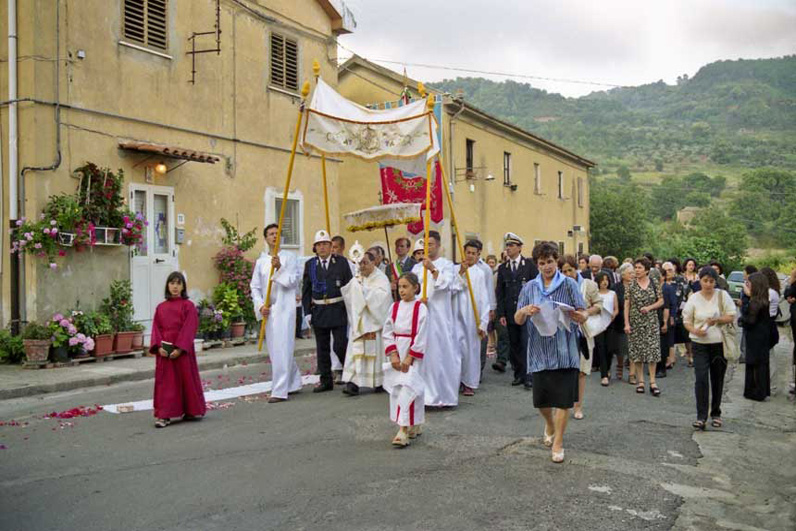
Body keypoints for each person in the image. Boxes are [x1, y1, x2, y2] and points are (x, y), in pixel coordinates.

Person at [514, 242, 588, 463]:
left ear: (557, 261)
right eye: (542, 263)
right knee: (542, 401)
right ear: (537, 264)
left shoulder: (569, 284)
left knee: (564, 401)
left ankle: (558, 443)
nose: (547, 266)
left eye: (550, 262)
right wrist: (525, 311)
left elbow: (583, 312)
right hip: (539, 351)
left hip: (565, 349)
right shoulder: (530, 288)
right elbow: (517, 319)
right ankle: (549, 423)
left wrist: (579, 316)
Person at [251, 224, 303, 403]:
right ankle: (294, 381)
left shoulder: (290, 258)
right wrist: (260, 306)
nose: (274, 236)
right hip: (269, 309)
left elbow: (293, 281)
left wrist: (280, 267)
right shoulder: (261, 261)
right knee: (276, 350)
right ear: (265, 238)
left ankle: (279, 390)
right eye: (271, 234)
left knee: (283, 347)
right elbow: (255, 287)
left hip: (285, 309)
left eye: (277, 233)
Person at [149, 272, 206, 428]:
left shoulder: (188, 306)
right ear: (168, 285)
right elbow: (156, 328)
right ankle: (164, 416)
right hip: (165, 347)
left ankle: (189, 409)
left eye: (178, 283)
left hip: (183, 348)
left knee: (185, 379)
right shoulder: (160, 307)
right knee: (166, 383)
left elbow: (189, 328)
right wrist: (159, 346)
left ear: (183, 286)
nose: (175, 286)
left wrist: (180, 348)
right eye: (172, 283)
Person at [411, 230, 461, 407]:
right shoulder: (416, 268)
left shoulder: (446, 265)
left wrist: (432, 269)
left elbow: (447, 284)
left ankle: (443, 396)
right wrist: (419, 299)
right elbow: (411, 290)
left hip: (440, 317)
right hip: (422, 316)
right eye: (424, 244)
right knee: (422, 356)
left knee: (440, 355)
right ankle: (422, 396)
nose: (427, 248)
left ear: (438, 245)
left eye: (430, 244)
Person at [682, 266, 736, 429]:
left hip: (718, 344)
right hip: (699, 344)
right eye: (705, 281)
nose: (708, 284)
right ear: (700, 280)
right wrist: (695, 330)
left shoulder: (722, 295)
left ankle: (716, 413)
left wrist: (717, 320)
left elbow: (731, 316)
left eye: (711, 281)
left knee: (717, 379)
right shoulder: (694, 298)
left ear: (715, 282)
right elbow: (686, 321)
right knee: (701, 378)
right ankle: (701, 416)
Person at [302, 230, 353, 392]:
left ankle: (352, 377)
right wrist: (307, 313)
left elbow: (350, 287)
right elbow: (306, 290)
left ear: (331, 247)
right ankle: (325, 380)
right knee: (322, 347)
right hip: (319, 310)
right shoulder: (310, 265)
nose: (322, 247)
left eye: (325, 244)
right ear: (315, 248)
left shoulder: (341, 263)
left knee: (340, 345)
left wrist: (351, 310)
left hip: (338, 309)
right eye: (319, 245)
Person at [382, 273, 428, 447]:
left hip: (412, 352)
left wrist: (410, 356)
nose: (401, 290)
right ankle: (412, 423)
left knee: (410, 387)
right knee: (398, 388)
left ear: (415, 288)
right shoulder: (394, 307)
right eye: (400, 287)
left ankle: (403, 429)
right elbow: (387, 331)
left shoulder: (420, 308)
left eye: (405, 286)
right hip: (398, 349)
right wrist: (393, 353)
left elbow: (422, 334)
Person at [341, 249, 393, 396]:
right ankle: (353, 383)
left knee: (374, 355)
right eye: (360, 263)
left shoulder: (381, 278)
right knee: (354, 354)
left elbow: (383, 299)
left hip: (373, 323)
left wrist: (364, 291)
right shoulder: (357, 278)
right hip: (359, 323)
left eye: (365, 263)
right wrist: (355, 288)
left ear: (373, 262)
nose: (362, 266)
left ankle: (378, 382)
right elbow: (348, 295)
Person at [559, 254, 602, 419]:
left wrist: (585, 312)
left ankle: (578, 406)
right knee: (563, 370)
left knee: (581, 371)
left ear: (576, 268)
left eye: (570, 270)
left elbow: (599, 304)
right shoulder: (557, 285)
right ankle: (563, 404)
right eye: (564, 271)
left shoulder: (588, 285)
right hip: (563, 332)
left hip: (582, 333)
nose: (567, 274)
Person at [494, 232, 539, 389]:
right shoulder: (503, 268)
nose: (509, 248)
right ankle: (518, 374)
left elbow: (536, 288)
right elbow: (500, 292)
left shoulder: (529, 266)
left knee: (526, 343)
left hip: (526, 311)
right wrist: (501, 314)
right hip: (510, 312)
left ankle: (529, 376)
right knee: (514, 344)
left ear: (520, 248)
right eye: (507, 245)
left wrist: (534, 307)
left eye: (512, 245)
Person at [454, 241, 490, 396]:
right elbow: (451, 288)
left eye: (473, 253)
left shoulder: (479, 273)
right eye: (467, 252)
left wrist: (483, 322)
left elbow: (483, 298)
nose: (470, 256)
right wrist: (460, 273)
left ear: (478, 255)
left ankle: (469, 382)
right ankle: (455, 381)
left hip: (471, 317)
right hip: (455, 315)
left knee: (471, 351)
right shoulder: (454, 270)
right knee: (455, 349)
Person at [625, 257, 664, 396]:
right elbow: (627, 305)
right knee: (638, 352)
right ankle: (641, 381)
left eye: (640, 267)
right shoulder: (631, 284)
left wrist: (649, 307)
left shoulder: (654, 283)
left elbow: (661, 301)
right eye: (635, 267)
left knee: (652, 350)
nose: (637, 270)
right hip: (635, 322)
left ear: (647, 270)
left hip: (651, 321)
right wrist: (627, 323)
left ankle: (653, 382)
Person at [741, 272, 772, 402]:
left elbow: (750, 320)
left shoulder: (756, 301)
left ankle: (756, 391)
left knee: (754, 363)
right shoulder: (763, 299)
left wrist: (741, 320)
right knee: (761, 363)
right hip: (763, 335)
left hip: (756, 336)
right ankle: (761, 390)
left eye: (749, 283)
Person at [469, 240, 497, 375]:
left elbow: (489, 288)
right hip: (468, 308)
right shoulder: (462, 267)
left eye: (475, 252)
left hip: (482, 307)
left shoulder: (485, 268)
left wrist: (491, 308)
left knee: (482, 338)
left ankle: (479, 369)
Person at [594, 271, 619, 386]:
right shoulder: (595, 294)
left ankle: (608, 368)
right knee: (601, 349)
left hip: (610, 323)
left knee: (610, 348)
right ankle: (604, 375)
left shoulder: (612, 293)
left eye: (606, 280)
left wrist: (614, 314)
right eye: (602, 280)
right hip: (599, 323)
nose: (604, 282)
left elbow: (616, 308)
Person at [760, 267, 781, 391]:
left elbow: (761, 306)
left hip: (767, 324)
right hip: (769, 324)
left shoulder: (770, 292)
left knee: (768, 356)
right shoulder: (772, 291)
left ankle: (771, 385)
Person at [656, 262, 678, 379]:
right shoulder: (654, 288)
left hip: (665, 317)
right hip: (655, 318)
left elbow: (672, 304)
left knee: (664, 345)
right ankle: (656, 367)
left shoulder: (668, 288)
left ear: (663, 277)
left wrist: (671, 318)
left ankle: (662, 368)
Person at [614, 262, 633, 382]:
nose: (632, 275)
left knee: (633, 348)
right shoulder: (616, 287)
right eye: (630, 273)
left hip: (635, 320)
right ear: (623, 274)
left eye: (633, 273)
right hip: (620, 320)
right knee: (621, 348)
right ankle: (620, 366)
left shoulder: (636, 286)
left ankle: (632, 373)